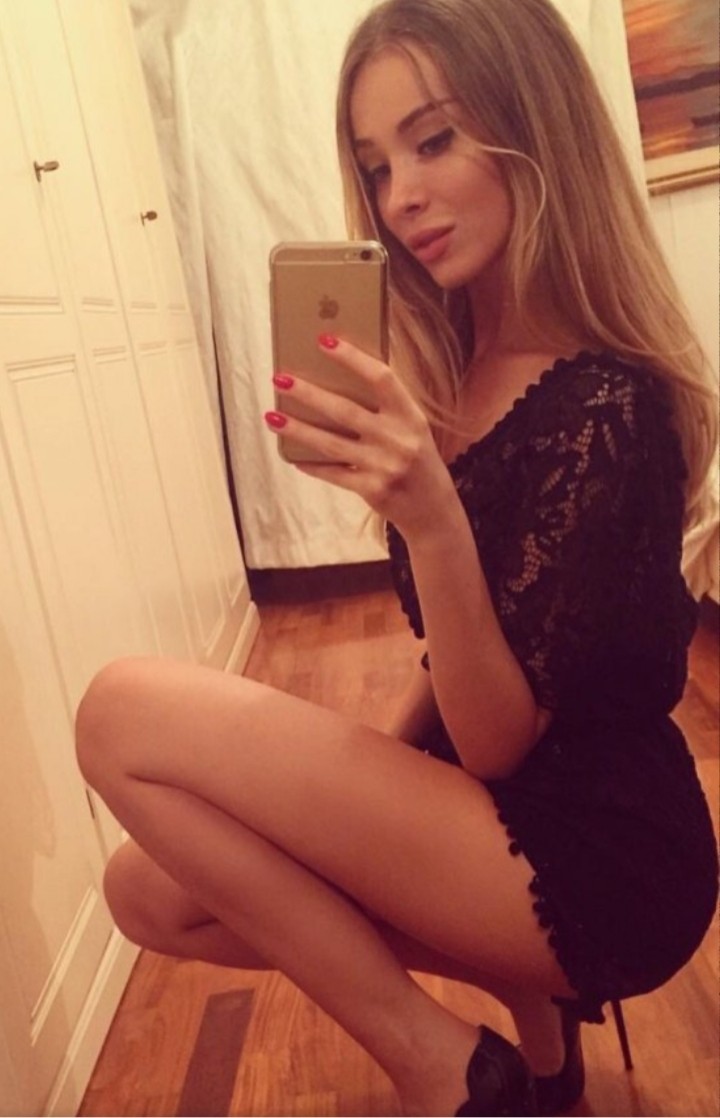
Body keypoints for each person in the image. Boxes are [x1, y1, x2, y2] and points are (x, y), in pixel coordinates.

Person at [76, 0, 719, 1114]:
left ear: (534, 124)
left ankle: (446, 1067)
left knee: (118, 714)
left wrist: (430, 518)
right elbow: (465, 657)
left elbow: (503, 739)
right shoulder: (460, 366)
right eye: (376, 166)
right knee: (148, 890)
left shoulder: (610, 404)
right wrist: (357, 775)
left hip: (599, 854)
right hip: (494, 809)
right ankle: (534, 1021)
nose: (400, 195)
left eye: (433, 140)